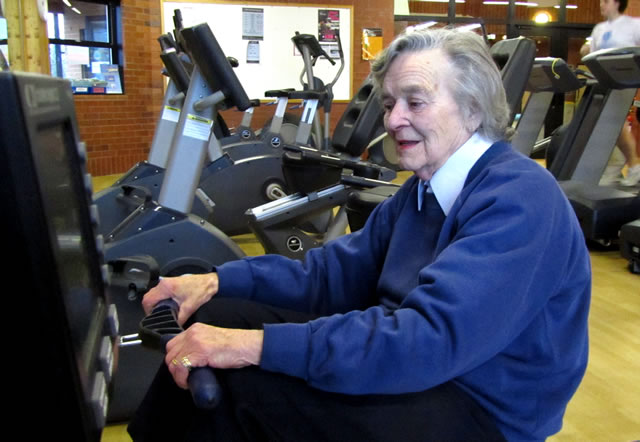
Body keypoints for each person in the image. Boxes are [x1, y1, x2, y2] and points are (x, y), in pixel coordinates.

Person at [128, 28, 591, 442]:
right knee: (220, 314)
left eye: (415, 101)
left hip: (480, 406)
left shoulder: (521, 199)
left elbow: (426, 341)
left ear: (472, 109)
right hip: (422, 365)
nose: (392, 120)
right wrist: (216, 281)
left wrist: (251, 347)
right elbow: (330, 273)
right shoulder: (421, 191)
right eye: (389, 104)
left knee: (245, 385)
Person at [581, 0, 640, 186]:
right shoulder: (599, 28)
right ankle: (613, 169)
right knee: (604, 124)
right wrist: (585, 49)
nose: (601, 4)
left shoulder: (633, 25)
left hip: (625, 78)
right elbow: (590, 51)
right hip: (603, 79)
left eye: (606, 1)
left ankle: (634, 165)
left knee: (614, 122)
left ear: (617, 3)